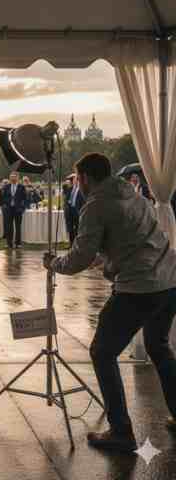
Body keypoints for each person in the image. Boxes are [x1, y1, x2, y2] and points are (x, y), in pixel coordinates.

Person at [44, 153, 176, 453]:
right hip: (170, 280)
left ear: (86, 178)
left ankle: (121, 430)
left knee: (102, 352)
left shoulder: (95, 205)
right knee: (158, 345)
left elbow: (79, 259)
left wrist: (54, 263)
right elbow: (137, 237)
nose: (77, 183)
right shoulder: (132, 193)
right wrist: (108, 259)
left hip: (139, 287)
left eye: (78, 178)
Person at [0, 172, 27, 249]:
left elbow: (25, 199)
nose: (13, 178)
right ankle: (9, 243)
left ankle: (18, 243)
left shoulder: (21, 187)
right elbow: (2, 197)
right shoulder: (6, 186)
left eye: (14, 177)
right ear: (9, 178)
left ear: (18, 178)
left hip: (18, 209)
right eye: (11, 177)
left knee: (18, 226)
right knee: (9, 227)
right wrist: (3, 206)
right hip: (8, 209)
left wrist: (22, 208)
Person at [66, 176, 85, 246]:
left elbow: (83, 201)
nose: (74, 181)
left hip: (77, 211)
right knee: (70, 229)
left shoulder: (81, 190)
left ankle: (77, 245)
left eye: (76, 180)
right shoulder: (70, 189)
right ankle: (71, 244)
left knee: (77, 229)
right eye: (73, 180)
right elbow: (67, 199)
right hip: (70, 211)